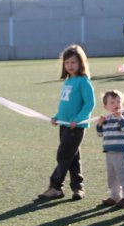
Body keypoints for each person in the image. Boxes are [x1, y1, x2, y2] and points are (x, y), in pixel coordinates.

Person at [38, 44, 96, 201]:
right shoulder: (68, 81)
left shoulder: (83, 81)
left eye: (74, 62)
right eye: (67, 63)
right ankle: (78, 188)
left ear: (81, 63)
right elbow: (65, 104)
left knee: (63, 156)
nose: (70, 66)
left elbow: (89, 104)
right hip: (64, 125)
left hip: (75, 127)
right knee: (72, 157)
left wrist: (78, 120)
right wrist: (57, 116)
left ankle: (55, 187)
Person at [96, 90, 124, 208]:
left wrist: (120, 118)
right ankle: (115, 196)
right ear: (106, 106)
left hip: (121, 150)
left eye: (118, 101)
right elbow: (100, 134)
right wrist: (99, 125)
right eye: (112, 102)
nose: (116, 104)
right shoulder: (107, 119)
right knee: (112, 176)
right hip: (109, 151)